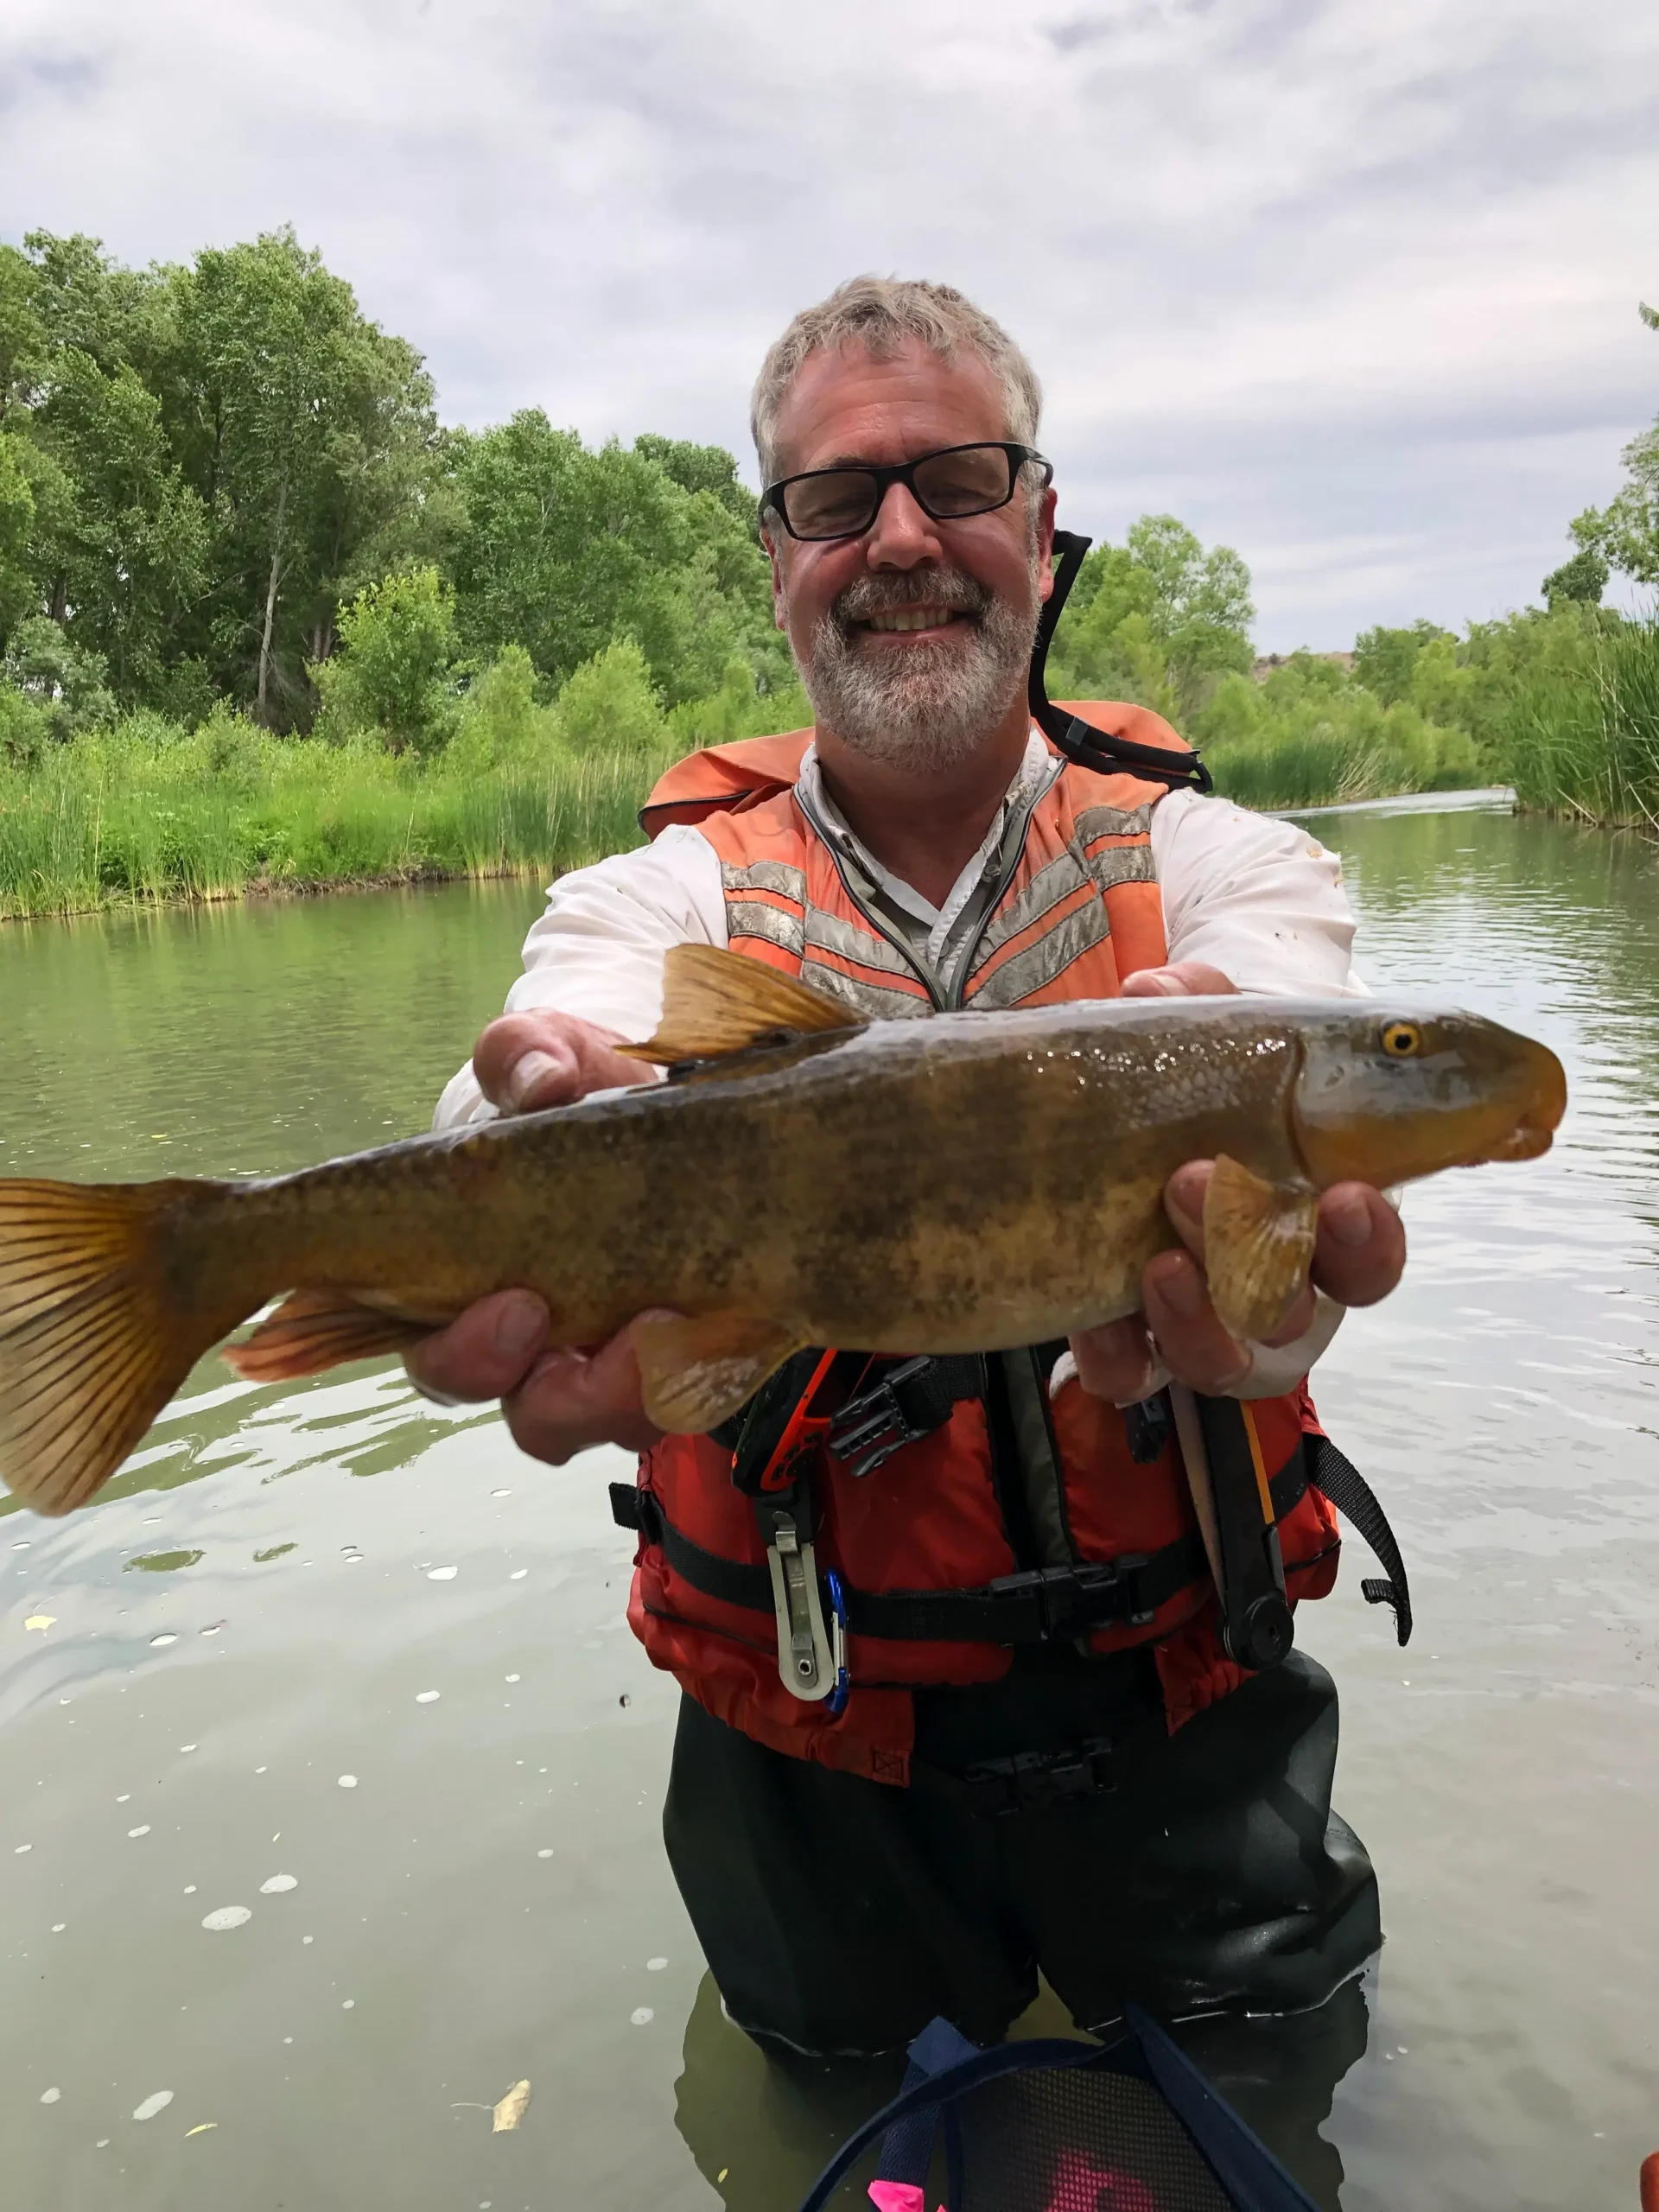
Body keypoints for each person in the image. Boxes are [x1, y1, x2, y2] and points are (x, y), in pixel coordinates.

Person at [410, 278, 1408, 2059]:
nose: (896, 538)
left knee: (1289, 2086)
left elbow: (1303, 1060)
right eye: (831, 497)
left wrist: (1266, 1320)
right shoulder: (661, 898)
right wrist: (498, 1157)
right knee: (820, 2101)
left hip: (1188, 1699)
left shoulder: (1227, 869)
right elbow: (528, 1062)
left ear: (1039, 522)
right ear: (776, 554)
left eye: (954, 478)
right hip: (807, 1742)